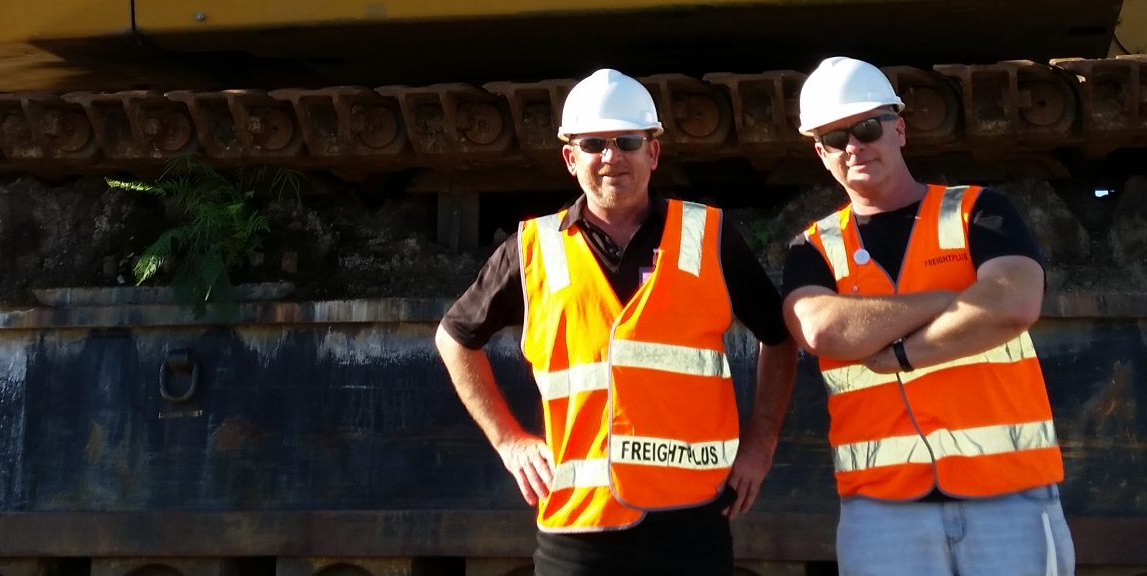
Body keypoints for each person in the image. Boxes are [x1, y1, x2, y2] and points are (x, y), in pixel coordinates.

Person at [436, 68, 801, 576]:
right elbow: (454, 339)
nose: (611, 157)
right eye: (593, 143)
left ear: (652, 152)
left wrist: (761, 448)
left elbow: (780, 336)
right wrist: (510, 441)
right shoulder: (533, 249)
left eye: (628, 141)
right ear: (570, 158)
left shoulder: (709, 236)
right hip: (578, 527)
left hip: (691, 521)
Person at [778, 56, 1074, 575]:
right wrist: (949, 299)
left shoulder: (979, 210)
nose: (854, 146)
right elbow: (821, 328)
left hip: (1009, 494)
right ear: (820, 154)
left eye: (867, 128)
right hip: (884, 510)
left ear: (899, 129)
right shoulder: (814, 248)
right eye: (834, 138)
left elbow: (1012, 303)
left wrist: (900, 353)